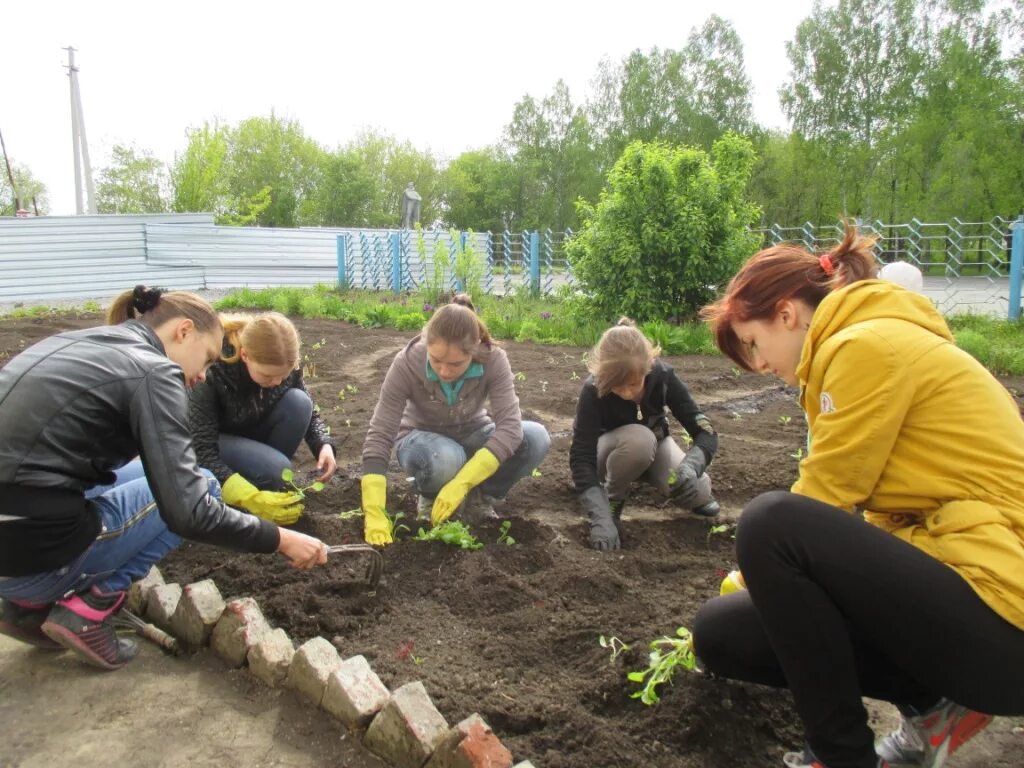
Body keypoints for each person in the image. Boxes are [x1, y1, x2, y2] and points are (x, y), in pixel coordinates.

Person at [692, 226, 1024, 768]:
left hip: (1004, 618)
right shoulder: (859, 344)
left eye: (752, 343)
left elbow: (824, 499)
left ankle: (840, 756)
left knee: (770, 524)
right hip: (960, 593)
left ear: (786, 313)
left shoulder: (867, 346)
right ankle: (932, 704)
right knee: (722, 632)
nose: (759, 365)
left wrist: (752, 575)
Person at [0, 287, 327, 671]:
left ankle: (24, 609)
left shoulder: (78, 343)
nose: (202, 376)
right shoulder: (153, 371)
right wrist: (282, 539)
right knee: (202, 486)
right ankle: (89, 608)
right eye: (206, 359)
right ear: (183, 331)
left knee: (149, 478)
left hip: (13, 542)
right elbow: (188, 510)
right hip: (30, 558)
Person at [360, 294, 550, 544]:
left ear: (474, 352)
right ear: (427, 344)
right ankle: (431, 495)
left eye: (456, 364)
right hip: (421, 442)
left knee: (534, 438)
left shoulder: (493, 360)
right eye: (436, 360)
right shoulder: (407, 363)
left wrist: (463, 482)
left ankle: (478, 499)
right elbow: (381, 432)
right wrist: (374, 512)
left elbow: (510, 428)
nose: (444, 371)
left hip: (472, 432)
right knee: (445, 457)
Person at [570, 319, 721, 551]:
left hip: (654, 447)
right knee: (640, 440)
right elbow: (581, 458)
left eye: (633, 384)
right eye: (617, 387)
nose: (627, 393)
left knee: (698, 491)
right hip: (609, 454)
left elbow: (705, 432)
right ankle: (613, 501)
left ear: (648, 367)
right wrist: (600, 516)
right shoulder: (593, 390)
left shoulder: (663, 377)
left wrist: (692, 466)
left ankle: (654, 475)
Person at [189, 311, 337, 523]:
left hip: (249, 433)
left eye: (283, 375)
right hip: (210, 442)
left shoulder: (284, 363)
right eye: (267, 375)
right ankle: (242, 490)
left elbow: (310, 413)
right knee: (277, 469)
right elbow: (200, 448)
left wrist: (323, 444)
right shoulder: (213, 369)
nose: (277, 382)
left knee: (299, 402)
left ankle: (265, 479)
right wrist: (244, 495)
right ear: (245, 356)